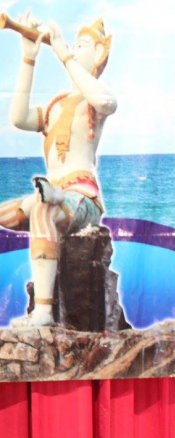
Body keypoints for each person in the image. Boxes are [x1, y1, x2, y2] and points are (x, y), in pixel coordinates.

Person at [0, 12, 116, 327]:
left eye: (82, 45)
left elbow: (105, 101)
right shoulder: (56, 105)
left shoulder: (94, 99)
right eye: (74, 44)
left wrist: (64, 53)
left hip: (81, 198)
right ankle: (51, 197)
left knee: (43, 208)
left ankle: (43, 312)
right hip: (53, 192)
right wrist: (29, 57)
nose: (74, 48)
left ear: (99, 53)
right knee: (17, 210)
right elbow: (19, 118)